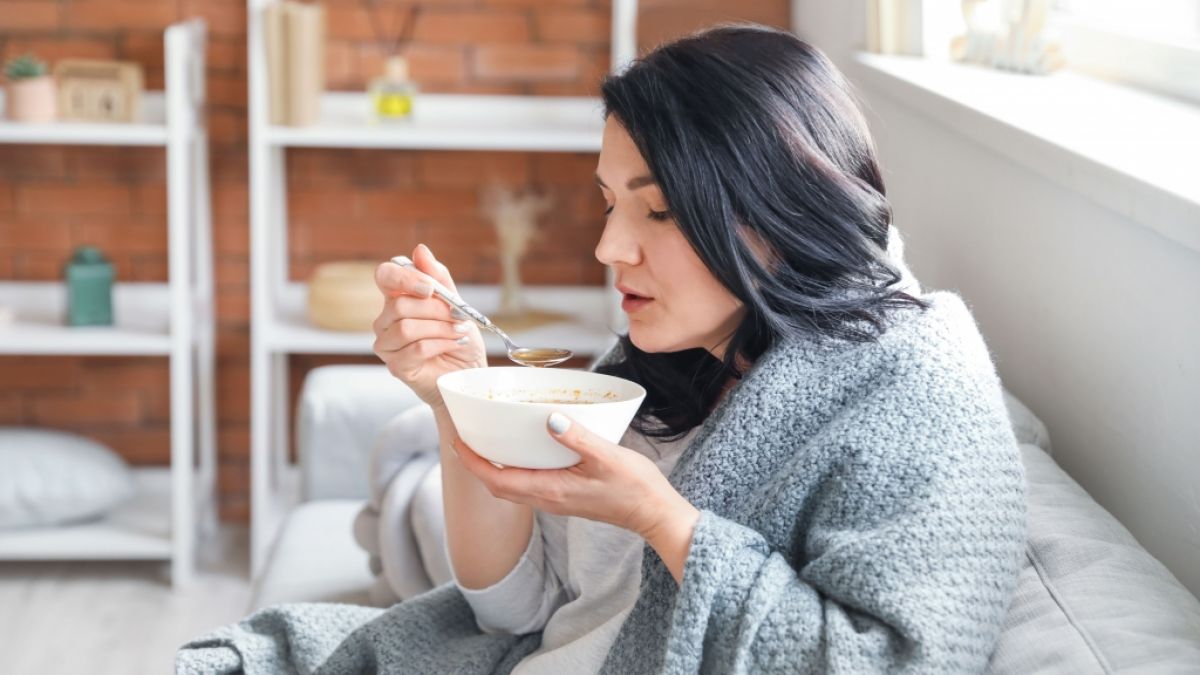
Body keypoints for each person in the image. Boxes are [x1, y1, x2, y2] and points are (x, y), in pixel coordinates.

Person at [367, 23, 1026, 674]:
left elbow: (885, 660)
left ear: (781, 210)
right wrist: (458, 394)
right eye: (608, 206)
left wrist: (661, 518)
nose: (609, 250)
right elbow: (513, 609)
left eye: (658, 211)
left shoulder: (914, 392)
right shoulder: (668, 362)